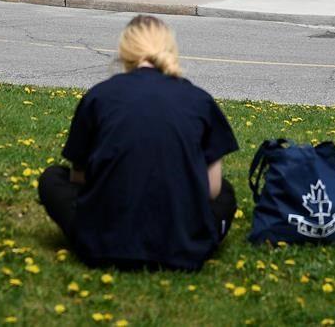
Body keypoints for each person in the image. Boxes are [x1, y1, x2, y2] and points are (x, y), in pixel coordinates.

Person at [38, 15, 239, 271]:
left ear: (125, 51)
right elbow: (211, 189)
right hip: (183, 249)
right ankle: (194, 235)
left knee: (53, 178)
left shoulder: (100, 96)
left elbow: (80, 178)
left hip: (104, 245)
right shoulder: (199, 100)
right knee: (226, 192)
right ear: (169, 48)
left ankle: (100, 233)